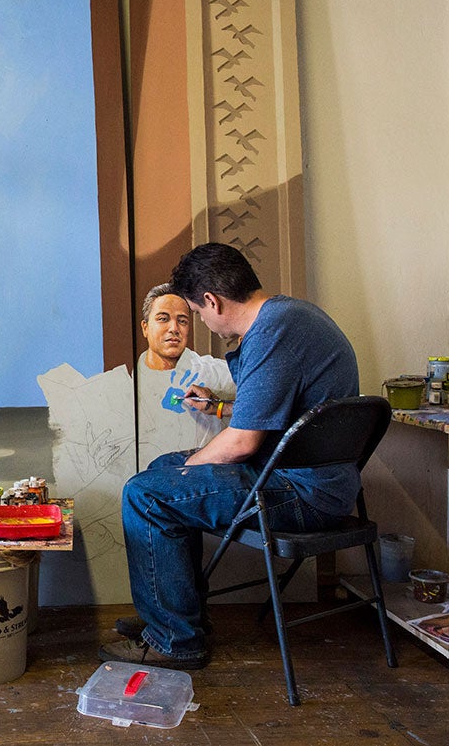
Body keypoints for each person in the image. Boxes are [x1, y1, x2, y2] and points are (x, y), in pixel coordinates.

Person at [100, 243, 360, 669]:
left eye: (196, 314)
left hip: (302, 493)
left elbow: (243, 443)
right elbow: (282, 413)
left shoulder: (272, 334)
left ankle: (174, 640)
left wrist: (191, 467)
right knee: (160, 471)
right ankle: (176, 615)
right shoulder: (287, 317)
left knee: (144, 494)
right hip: (306, 477)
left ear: (212, 301)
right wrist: (218, 407)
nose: (198, 322)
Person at [135, 283, 235, 466]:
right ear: (145, 327)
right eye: (163, 319)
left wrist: (221, 407)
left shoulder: (216, 372)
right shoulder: (123, 386)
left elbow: (271, 403)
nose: (174, 328)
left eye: (182, 321)